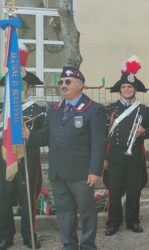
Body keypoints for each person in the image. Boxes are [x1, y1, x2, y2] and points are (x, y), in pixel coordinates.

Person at [27, 66, 107, 250]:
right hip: (58, 172)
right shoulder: (54, 109)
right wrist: (29, 135)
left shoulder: (93, 109)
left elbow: (99, 143)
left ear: (80, 86)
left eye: (68, 82)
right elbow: (46, 135)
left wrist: (95, 170)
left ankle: (87, 245)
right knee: (64, 213)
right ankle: (69, 245)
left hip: (81, 173)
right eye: (61, 82)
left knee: (86, 213)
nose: (63, 85)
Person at [0, 43, 46, 249]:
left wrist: (31, 134)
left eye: (21, 84)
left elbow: (46, 136)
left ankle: (29, 235)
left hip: (29, 158)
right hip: (4, 157)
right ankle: (5, 235)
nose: (17, 87)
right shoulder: (3, 108)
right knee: (2, 198)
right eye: (13, 83)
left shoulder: (38, 109)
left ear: (27, 87)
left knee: (28, 198)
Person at [103, 56, 149, 236]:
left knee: (134, 190)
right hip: (115, 155)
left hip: (135, 157)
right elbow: (103, 136)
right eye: (124, 86)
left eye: (130, 87)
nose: (126, 89)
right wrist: (104, 158)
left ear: (135, 89)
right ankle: (113, 222)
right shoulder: (110, 109)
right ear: (120, 89)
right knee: (114, 191)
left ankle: (133, 221)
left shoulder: (144, 110)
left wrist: (144, 132)